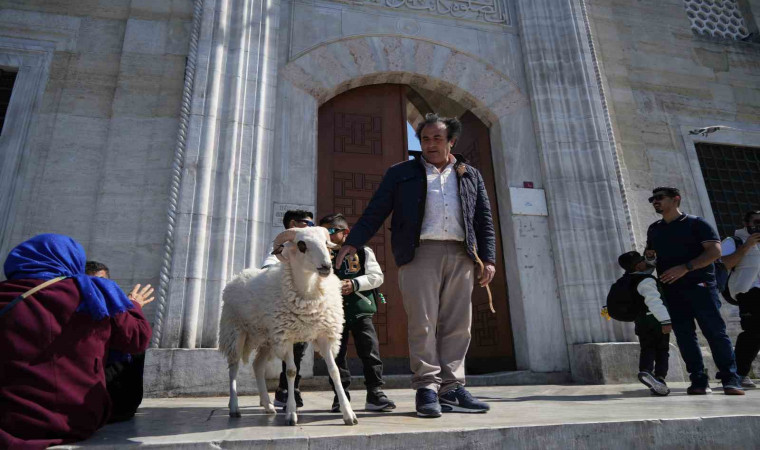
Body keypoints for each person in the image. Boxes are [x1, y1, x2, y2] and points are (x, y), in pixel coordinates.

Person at [336, 113, 495, 417]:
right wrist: (352, 242)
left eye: (438, 138)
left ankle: (452, 388)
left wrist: (488, 258)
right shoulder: (401, 173)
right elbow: (375, 210)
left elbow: (483, 219)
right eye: (425, 138)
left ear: (452, 142)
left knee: (459, 325)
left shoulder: (469, 174)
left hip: (462, 255)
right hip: (419, 252)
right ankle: (426, 388)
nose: (431, 144)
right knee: (422, 322)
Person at [0, 234, 153, 449]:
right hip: (76, 419)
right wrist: (133, 305)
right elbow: (137, 338)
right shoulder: (92, 292)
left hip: (8, 420)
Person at [645, 187, 744, 395]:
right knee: (684, 336)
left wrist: (685, 268)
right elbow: (651, 259)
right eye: (652, 199)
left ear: (676, 200)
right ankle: (698, 379)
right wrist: (649, 258)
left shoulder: (697, 224)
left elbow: (715, 252)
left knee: (715, 333)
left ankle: (730, 379)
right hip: (672, 290)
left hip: (701, 287)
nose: (655, 201)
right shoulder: (654, 229)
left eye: (660, 198)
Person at [320, 213, 396, 412]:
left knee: (370, 351)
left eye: (330, 231)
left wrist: (354, 284)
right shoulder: (320, 253)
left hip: (361, 309)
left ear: (345, 232)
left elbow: (377, 277)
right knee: (337, 354)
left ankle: (375, 393)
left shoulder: (363, 251)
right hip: (333, 313)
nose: (325, 235)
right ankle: (340, 395)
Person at [85, 261, 155, 422]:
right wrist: (132, 307)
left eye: (102, 282)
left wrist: (129, 308)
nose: (98, 288)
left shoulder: (115, 308)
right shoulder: (77, 307)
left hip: (119, 404)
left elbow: (136, 337)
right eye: (92, 283)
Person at [263, 209, 315, 409]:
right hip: (284, 307)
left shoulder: (310, 246)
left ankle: (289, 388)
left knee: (299, 348)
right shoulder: (283, 245)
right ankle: (286, 390)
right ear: (293, 223)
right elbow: (268, 265)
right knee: (291, 349)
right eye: (307, 224)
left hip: (303, 306)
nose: (311, 227)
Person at [616, 251, 672, 396]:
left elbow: (648, 267)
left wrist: (650, 258)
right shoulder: (646, 281)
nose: (644, 262)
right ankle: (659, 377)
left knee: (647, 348)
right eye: (641, 261)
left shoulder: (627, 280)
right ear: (638, 265)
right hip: (655, 321)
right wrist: (665, 321)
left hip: (640, 322)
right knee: (662, 350)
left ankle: (646, 371)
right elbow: (654, 303)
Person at [720, 210, 760, 389]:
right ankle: (738, 373)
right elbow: (722, 266)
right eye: (756, 221)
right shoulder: (733, 241)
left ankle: (735, 370)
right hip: (748, 292)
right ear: (747, 223)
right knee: (753, 332)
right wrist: (747, 246)